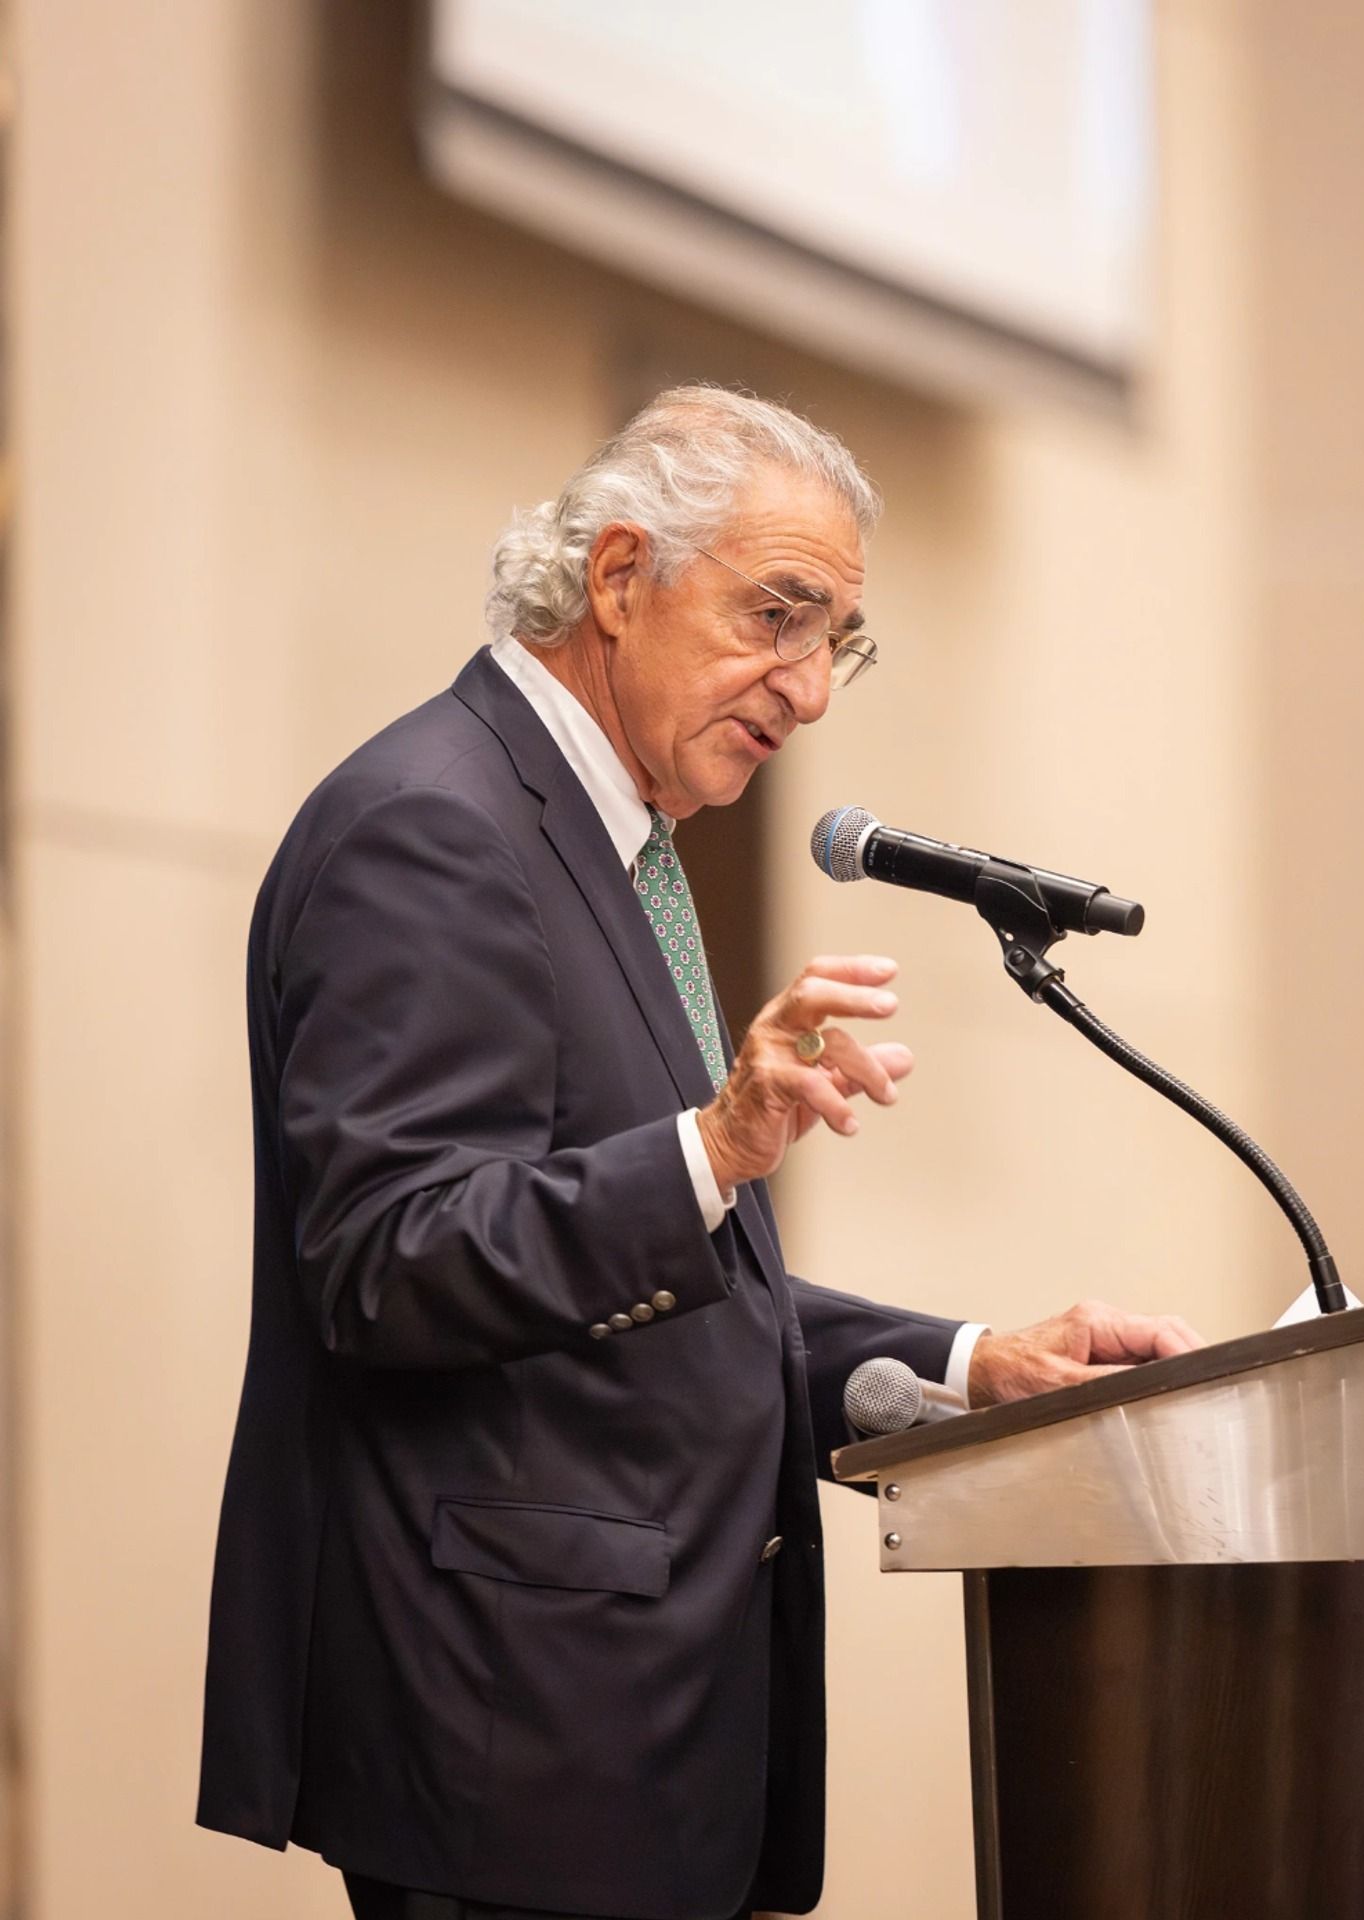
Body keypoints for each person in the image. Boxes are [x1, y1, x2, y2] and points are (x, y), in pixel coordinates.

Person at [197, 387, 1201, 1920]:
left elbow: (656, 1295)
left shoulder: (606, 846)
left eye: (835, 641)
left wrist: (969, 1366)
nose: (806, 691)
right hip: (511, 1743)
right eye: (775, 617)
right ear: (616, 581)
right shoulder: (438, 826)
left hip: (610, 1746)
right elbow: (391, 1263)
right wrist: (716, 1144)